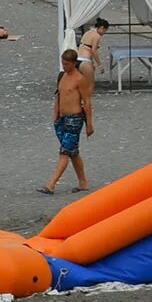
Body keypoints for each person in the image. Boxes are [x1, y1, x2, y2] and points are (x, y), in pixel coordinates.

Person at [42, 47, 94, 194]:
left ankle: (51, 185)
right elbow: (59, 97)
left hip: (75, 119)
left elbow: (88, 102)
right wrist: (55, 116)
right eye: (63, 63)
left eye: (67, 64)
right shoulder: (62, 76)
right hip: (62, 119)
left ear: (73, 63)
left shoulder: (80, 79)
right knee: (72, 152)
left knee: (65, 152)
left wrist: (89, 124)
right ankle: (83, 183)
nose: (64, 66)